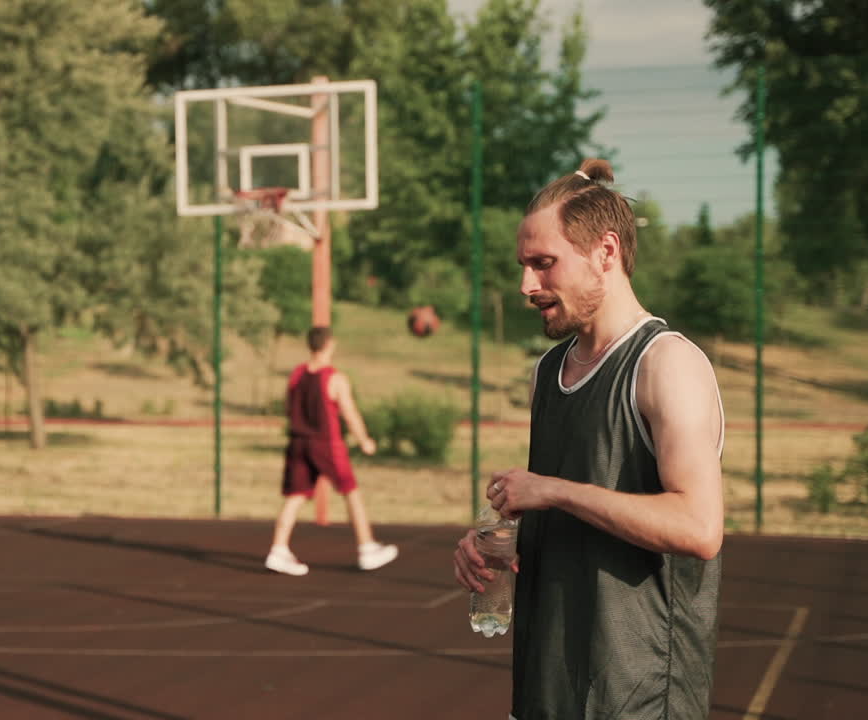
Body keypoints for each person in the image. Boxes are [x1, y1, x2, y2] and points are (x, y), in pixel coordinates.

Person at [452, 158, 725, 719]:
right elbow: (576, 508)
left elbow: (698, 529)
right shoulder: (548, 373)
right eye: (524, 265)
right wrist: (500, 541)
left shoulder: (666, 364)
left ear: (606, 252)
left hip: (638, 697)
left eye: (544, 264)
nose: (528, 284)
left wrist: (551, 492)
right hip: (545, 686)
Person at [265, 326, 399, 576]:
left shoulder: (295, 374)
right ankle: (367, 547)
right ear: (330, 345)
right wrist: (364, 439)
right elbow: (349, 412)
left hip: (297, 441)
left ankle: (278, 549)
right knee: (351, 491)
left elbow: (288, 406)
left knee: (295, 496)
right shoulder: (334, 378)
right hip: (325, 443)